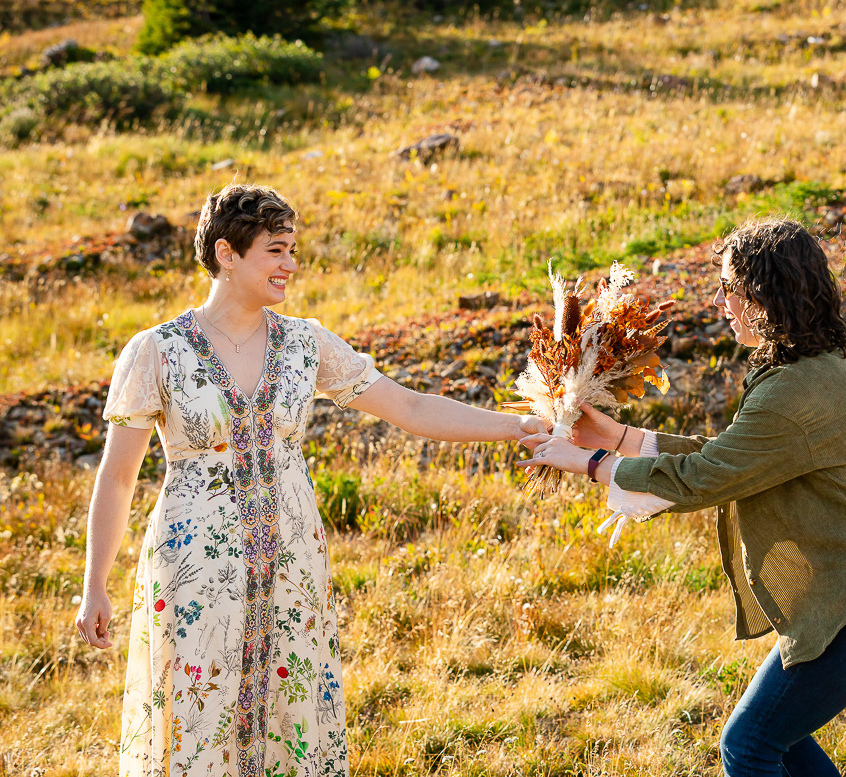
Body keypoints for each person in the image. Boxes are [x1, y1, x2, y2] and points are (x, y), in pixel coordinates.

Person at [75, 184, 545, 777]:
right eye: (276, 250)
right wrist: (95, 583)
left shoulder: (305, 343)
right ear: (226, 253)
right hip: (195, 573)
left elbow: (411, 408)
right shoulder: (157, 352)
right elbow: (118, 478)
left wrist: (516, 427)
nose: (290, 265)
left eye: (293, 249)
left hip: (293, 567)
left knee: (290, 716)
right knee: (197, 722)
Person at [518, 218, 846, 777]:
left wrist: (590, 463)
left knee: (749, 745)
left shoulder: (797, 388)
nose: (720, 301)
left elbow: (708, 478)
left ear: (767, 293)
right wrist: (620, 439)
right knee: (780, 739)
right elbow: (737, 458)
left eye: (730, 287)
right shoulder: (819, 364)